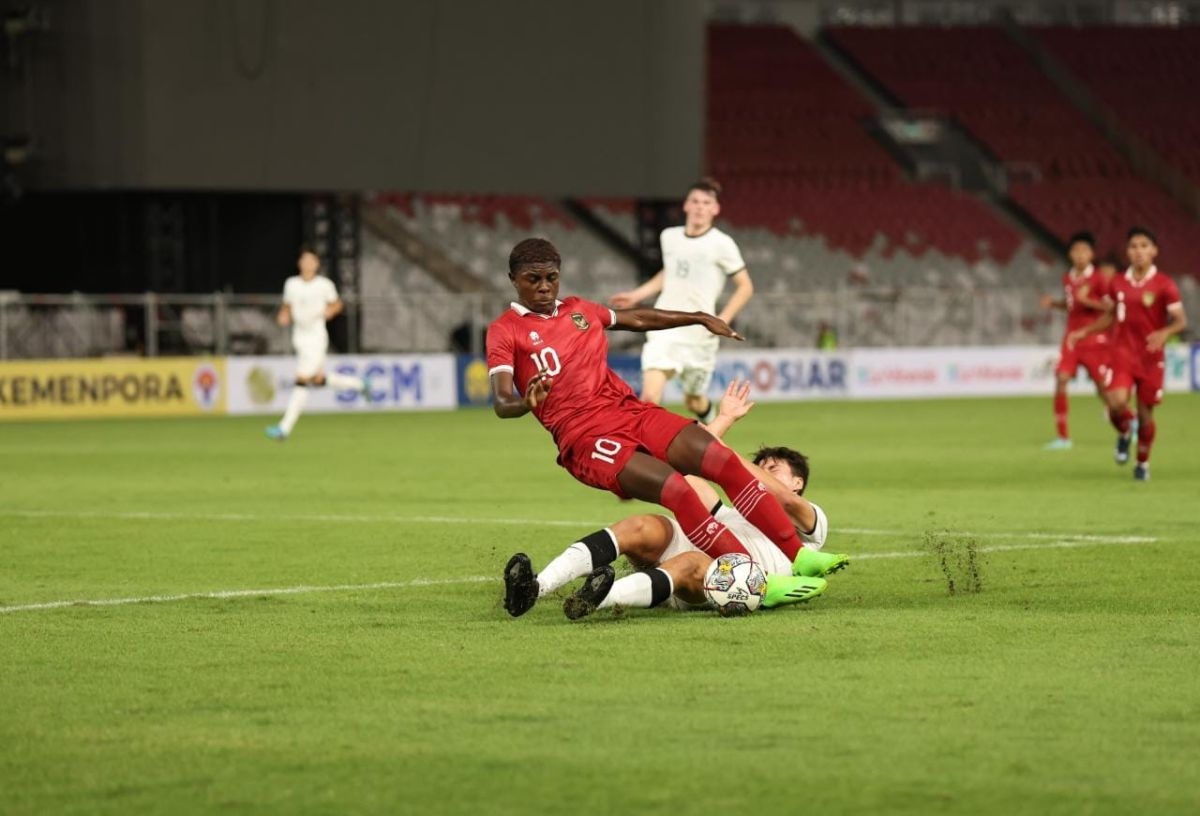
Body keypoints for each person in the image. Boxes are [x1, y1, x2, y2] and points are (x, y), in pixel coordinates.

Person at [489, 239, 846, 586]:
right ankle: (755, 582)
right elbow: (502, 402)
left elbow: (639, 318)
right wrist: (526, 403)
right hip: (586, 436)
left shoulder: (580, 310)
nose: (544, 287)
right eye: (533, 279)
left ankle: (799, 555)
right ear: (513, 279)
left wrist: (697, 317)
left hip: (631, 412)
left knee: (721, 459)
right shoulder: (505, 331)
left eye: (551, 277)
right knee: (679, 492)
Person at [501, 380, 844, 619]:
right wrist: (723, 422)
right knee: (645, 525)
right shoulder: (725, 512)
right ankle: (535, 588)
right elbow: (696, 458)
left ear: (798, 482)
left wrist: (731, 459)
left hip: (726, 579)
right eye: (761, 466)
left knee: (691, 560)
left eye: (774, 468)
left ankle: (600, 598)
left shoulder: (811, 528)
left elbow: (780, 497)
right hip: (691, 556)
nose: (763, 471)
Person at [609, 178, 754, 423]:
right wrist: (638, 294)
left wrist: (722, 320)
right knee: (649, 397)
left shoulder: (722, 244)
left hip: (700, 333)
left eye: (706, 203)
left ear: (715, 209)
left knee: (693, 400)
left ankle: (713, 434)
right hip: (664, 325)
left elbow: (746, 286)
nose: (700, 207)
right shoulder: (670, 237)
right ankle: (647, 454)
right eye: (695, 201)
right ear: (686, 205)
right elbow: (671, 272)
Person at [1067, 227, 1188, 481]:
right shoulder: (1119, 282)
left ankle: (1142, 463)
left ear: (1154, 251)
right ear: (1128, 252)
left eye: (1144, 246)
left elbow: (1180, 320)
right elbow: (1111, 315)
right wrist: (1084, 331)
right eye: (1133, 246)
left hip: (1151, 358)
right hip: (1122, 352)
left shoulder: (1164, 284)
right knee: (1116, 401)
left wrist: (1165, 333)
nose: (1138, 251)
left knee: (1146, 417)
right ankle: (1124, 432)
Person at [266, 246, 368, 440]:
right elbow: (287, 306)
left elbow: (337, 303)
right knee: (317, 380)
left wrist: (331, 311)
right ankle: (359, 384)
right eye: (304, 260)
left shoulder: (324, 284)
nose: (308, 264)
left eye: (311, 261)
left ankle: (284, 428)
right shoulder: (292, 284)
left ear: (317, 264)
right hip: (299, 337)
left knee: (302, 378)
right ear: (299, 263)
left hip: (316, 337)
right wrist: (283, 315)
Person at [1039, 231, 1112, 451]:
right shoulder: (1067, 278)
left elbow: (1111, 309)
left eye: (1084, 250)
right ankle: (1063, 438)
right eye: (1076, 250)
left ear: (1091, 254)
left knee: (1102, 387)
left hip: (1094, 337)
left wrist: (1087, 300)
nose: (1080, 255)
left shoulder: (1100, 278)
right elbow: (1073, 306)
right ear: (1070, 254)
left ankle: (1130, 421)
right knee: (1061, 380)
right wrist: (1054, 304)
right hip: (1071, 338)